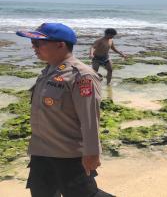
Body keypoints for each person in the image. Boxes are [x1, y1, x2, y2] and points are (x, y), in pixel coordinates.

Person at [16, 23, 113, 197]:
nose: (33, 47)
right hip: (40, 153)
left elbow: (89, 119)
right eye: (33, 42)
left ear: (60, 44)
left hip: (68, 156)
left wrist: (92, 153)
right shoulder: (48, 72)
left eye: (38, 43)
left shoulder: (82, 76)